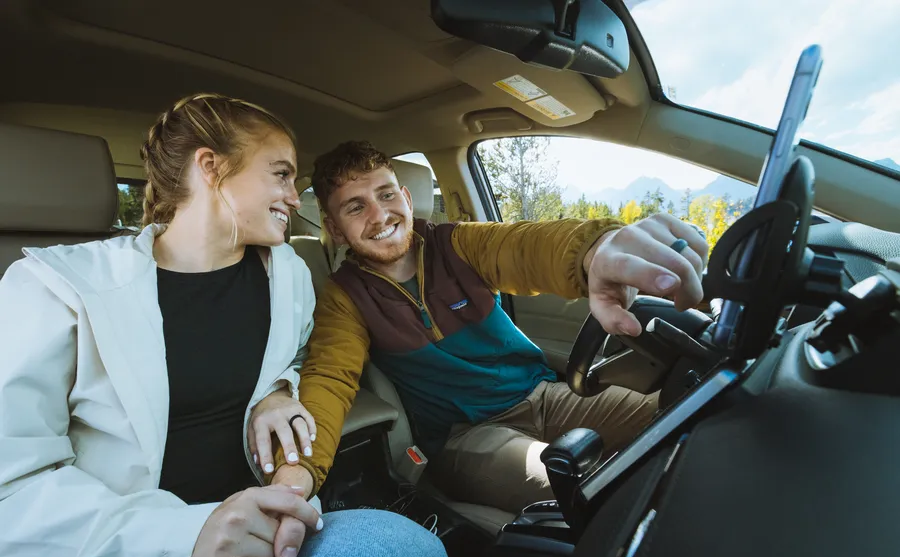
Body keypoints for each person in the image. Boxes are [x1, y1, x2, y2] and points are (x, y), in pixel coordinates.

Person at [0, 97, 455, 557]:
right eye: (281, 174)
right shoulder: (55, 288)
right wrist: (186, 541)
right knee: (401, 556)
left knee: (412, 556)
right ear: (211, 167)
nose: (293, 195)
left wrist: (281, 391)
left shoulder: (289, 275)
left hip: (269, 533)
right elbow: (12, 488)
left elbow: (301, 358)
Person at [251, 140, 708, 515]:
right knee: (590, 487)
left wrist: (596, 248)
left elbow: (528, 247)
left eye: (387, 194)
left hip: (544, 395)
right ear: (333, 226)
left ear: (406, 198)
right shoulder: (345, 295)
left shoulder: (455, 244)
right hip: (465, 436)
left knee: (683, 423)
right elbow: (331, 378)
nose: (380, 215)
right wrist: (298, 478)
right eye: (356, 207)